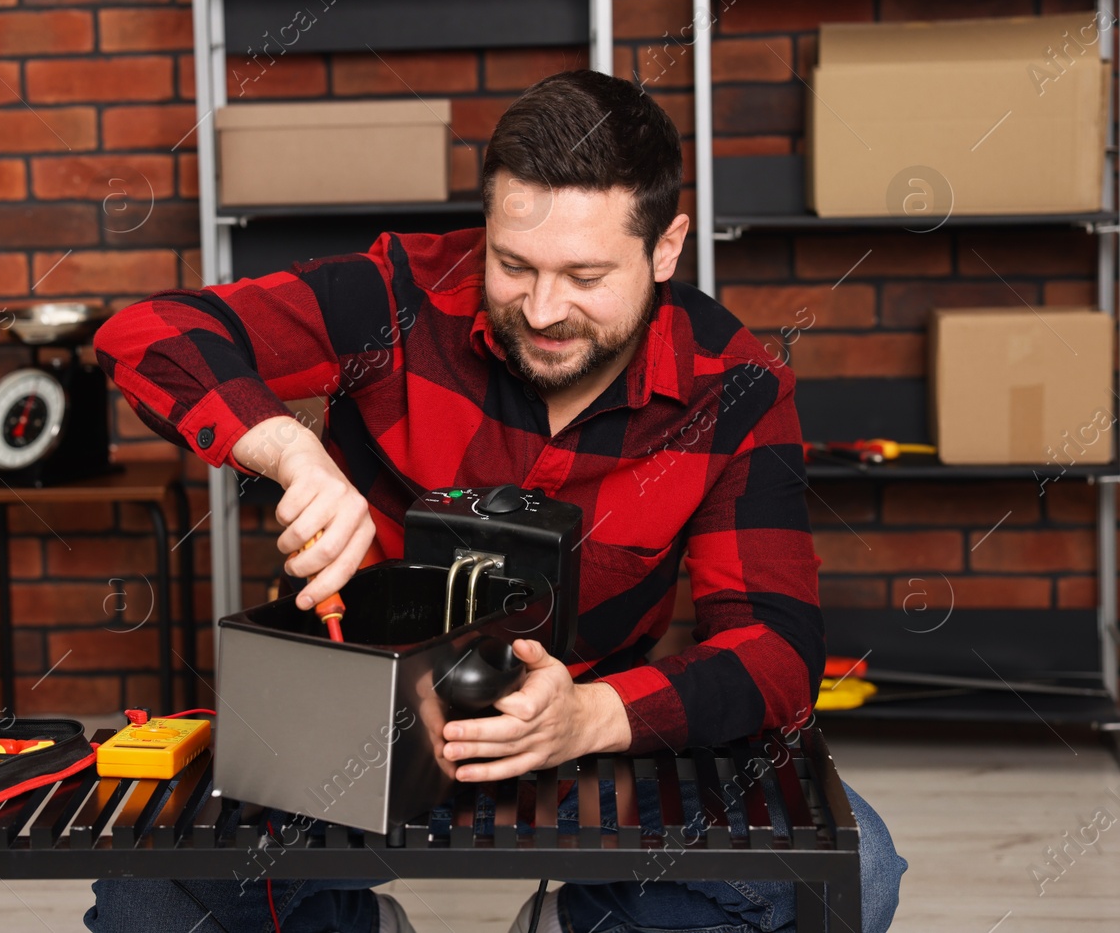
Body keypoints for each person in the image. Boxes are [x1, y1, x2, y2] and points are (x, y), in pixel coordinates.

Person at [87, 70, 907, 933]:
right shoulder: (399, 295)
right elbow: (144, 333)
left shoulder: (735, 389)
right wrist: (290, 448)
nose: (544, 310)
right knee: (147, 892)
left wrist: (592, 715)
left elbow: (778, 651)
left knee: (860, 873)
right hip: (358, 733)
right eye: (513, 265)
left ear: (666, 248)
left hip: (589, 741)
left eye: (585, 274)